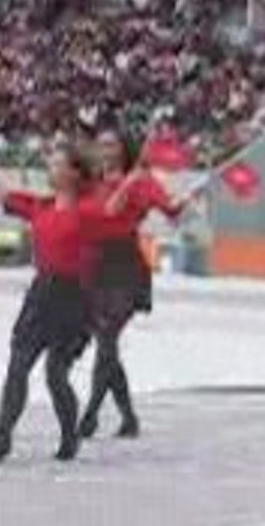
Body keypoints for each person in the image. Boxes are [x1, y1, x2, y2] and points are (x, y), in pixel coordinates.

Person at [0, 145, 94, 462]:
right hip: (42, 293)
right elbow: (3, 196)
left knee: (55, 373)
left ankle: (69, 438)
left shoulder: (90, 211)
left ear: (74, 173)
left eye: (57, 164)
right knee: (18, 365)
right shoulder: (41, 206)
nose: (50, 169)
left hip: (75, 297)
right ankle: (2, 435)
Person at [78, 128, 196, 440]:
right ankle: (129, 418)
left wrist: (184, 201)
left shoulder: (141, 181)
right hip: (94, 265)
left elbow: (170, 210)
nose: (105, 150)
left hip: (125, 266)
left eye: (111, 145)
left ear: (123, 150)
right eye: (101, 145)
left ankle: (90, 414)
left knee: (107, 339)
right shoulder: (91, 182)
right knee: (107, 345)